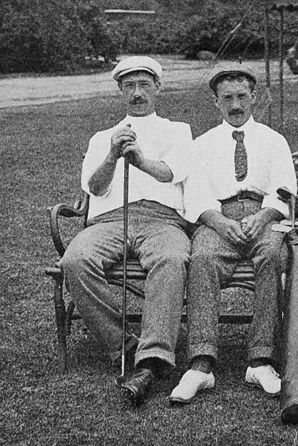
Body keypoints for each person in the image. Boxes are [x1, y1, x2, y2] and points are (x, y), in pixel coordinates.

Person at [59, 56, 193, 406]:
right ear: (120, 90)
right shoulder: (103, 136)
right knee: (74, 260)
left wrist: (140, 161)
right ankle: (126, 345)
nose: (137, 93)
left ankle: (153, 357)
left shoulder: (178, 130)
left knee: (172, 258)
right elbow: (95, 187)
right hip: (109, 220)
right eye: (129, 86)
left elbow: (170, 173)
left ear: (157, 88)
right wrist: (112, 156)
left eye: (144, 85)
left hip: (162, 220)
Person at [169, 66, 297, 405]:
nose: (236, 104)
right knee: (203, 259)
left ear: (254, 98)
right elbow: (195, 194)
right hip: (218, 218)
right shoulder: (203, 144)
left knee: (273, 256)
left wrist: (265, 215)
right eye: (228, 98)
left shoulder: (273, 140)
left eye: (242, 96)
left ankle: (261, 359)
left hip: (264, 216)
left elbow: (285, 189)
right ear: (215, 101)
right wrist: (218, 221)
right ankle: (201, 362)